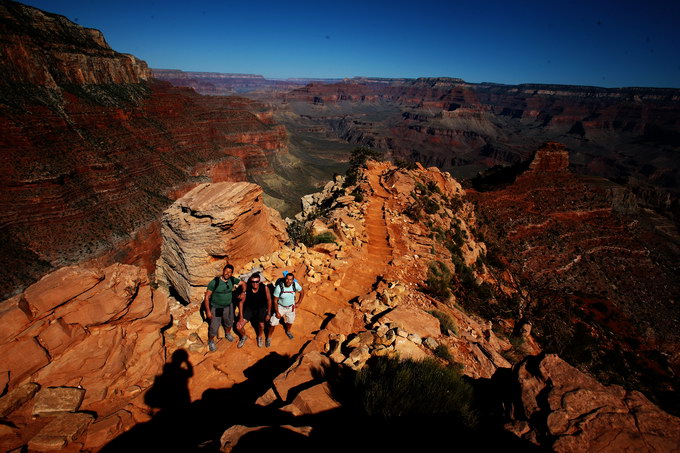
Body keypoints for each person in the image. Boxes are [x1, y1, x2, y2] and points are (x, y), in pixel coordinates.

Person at [203, 264, 246, 352]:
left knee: (229, 321)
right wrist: (208, 311)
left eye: (230, 272)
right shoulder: (214, 282)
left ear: (232, 273)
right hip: (217, 307)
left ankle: (227, 333)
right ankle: (211, 341)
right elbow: (207, 297)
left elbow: (243, 283)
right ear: (223, 271)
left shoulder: (232, 280)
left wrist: (243, 292)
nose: (227, 273)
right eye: (226, 271)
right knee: (214, 326)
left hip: (228, 306)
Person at [235, 272, 272, 348]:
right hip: (249, 309)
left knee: (261, 325)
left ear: (259, 281)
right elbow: (241, 303)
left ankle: (259, 336)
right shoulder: (247, 289)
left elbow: (269, 300)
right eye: (253, 282)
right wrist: (241, 317)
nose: (255, 284)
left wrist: (268, 313)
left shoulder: (264, 288)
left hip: (260, 308)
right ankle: (244, 336)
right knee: (238, 326)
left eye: (256, 281)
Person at [268, 272, 304, 344]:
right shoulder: (279, 287)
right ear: (285, 279)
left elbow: (302, 292)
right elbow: (275, 300)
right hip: (281, 307)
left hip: (291, 307)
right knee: (273, 323)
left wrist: (299, 303)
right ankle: (269, 337)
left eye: (290, 280)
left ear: (293, 280)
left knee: (290, 321)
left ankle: (288, 331)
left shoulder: (295, 285)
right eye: (287, 279)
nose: (288, 281)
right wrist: (277, 312)